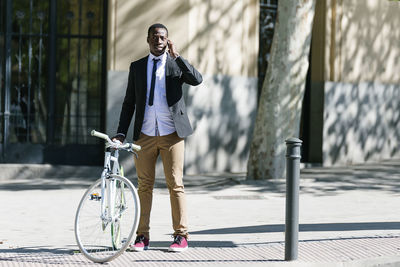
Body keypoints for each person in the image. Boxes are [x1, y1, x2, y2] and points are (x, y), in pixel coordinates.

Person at [112, 23, 202, 252]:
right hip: (145, 136)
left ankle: (181, 236)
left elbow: (197, 79)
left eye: (162, 37)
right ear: (148, 39)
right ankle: (142, 236)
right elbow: (129, 102)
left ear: (167, 40)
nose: (158, 40)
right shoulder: (138, 67)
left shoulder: (175, 65)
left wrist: (178, 56)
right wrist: (121, 133)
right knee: (144, 186)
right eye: (154, 37)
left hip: (172, 134)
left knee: (175, 184)